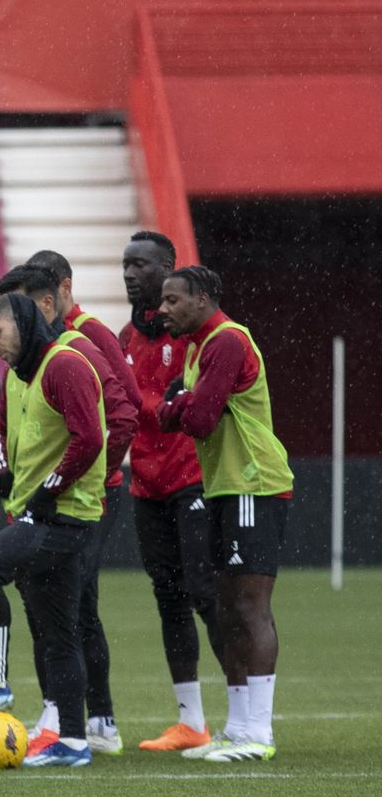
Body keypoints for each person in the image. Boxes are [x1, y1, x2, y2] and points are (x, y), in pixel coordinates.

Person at [0, 264, 135, 755]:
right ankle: (61, 716)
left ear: (45, 303)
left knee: (73, 606)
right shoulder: (21, 363)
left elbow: (123, 412)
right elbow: (5, 426)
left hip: (78, 498)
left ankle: (97, 720)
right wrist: (7, 470)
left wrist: (93, 477)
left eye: (18, 307)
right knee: (45, 606)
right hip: (35, 500)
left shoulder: (82, 344)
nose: (10, 321)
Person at [0, 292, 106, 768]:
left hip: (62, 515)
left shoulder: (66, 365)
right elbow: (1, 433)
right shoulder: (15, 375)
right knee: (59, 634)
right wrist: (2, 470)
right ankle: (75, 742)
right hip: (37, 511)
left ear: (23, 325)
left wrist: (49, 488)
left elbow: (90, 438)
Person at [157, 266, 293, 762]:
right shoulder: (197, 349)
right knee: (227, 607)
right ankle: (237, 727)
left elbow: (197, 418)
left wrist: (180, 404)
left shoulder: (228, 341)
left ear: (203, 298)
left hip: (253, 484)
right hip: (223, 486)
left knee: (250, 607)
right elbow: (170, 413)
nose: (162, 309)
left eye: (173, 300)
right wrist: (180, 404)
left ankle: (260, 731)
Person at [118, 231, 227, 752]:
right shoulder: (126, 336)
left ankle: (245, 717)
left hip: (192, 478)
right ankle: (191, 722)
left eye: (141, 264)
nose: (129, 273)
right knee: (169, 597)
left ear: (168, 269)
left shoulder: (194, 336)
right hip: (147, 484)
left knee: (207, 593)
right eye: (126, 264)